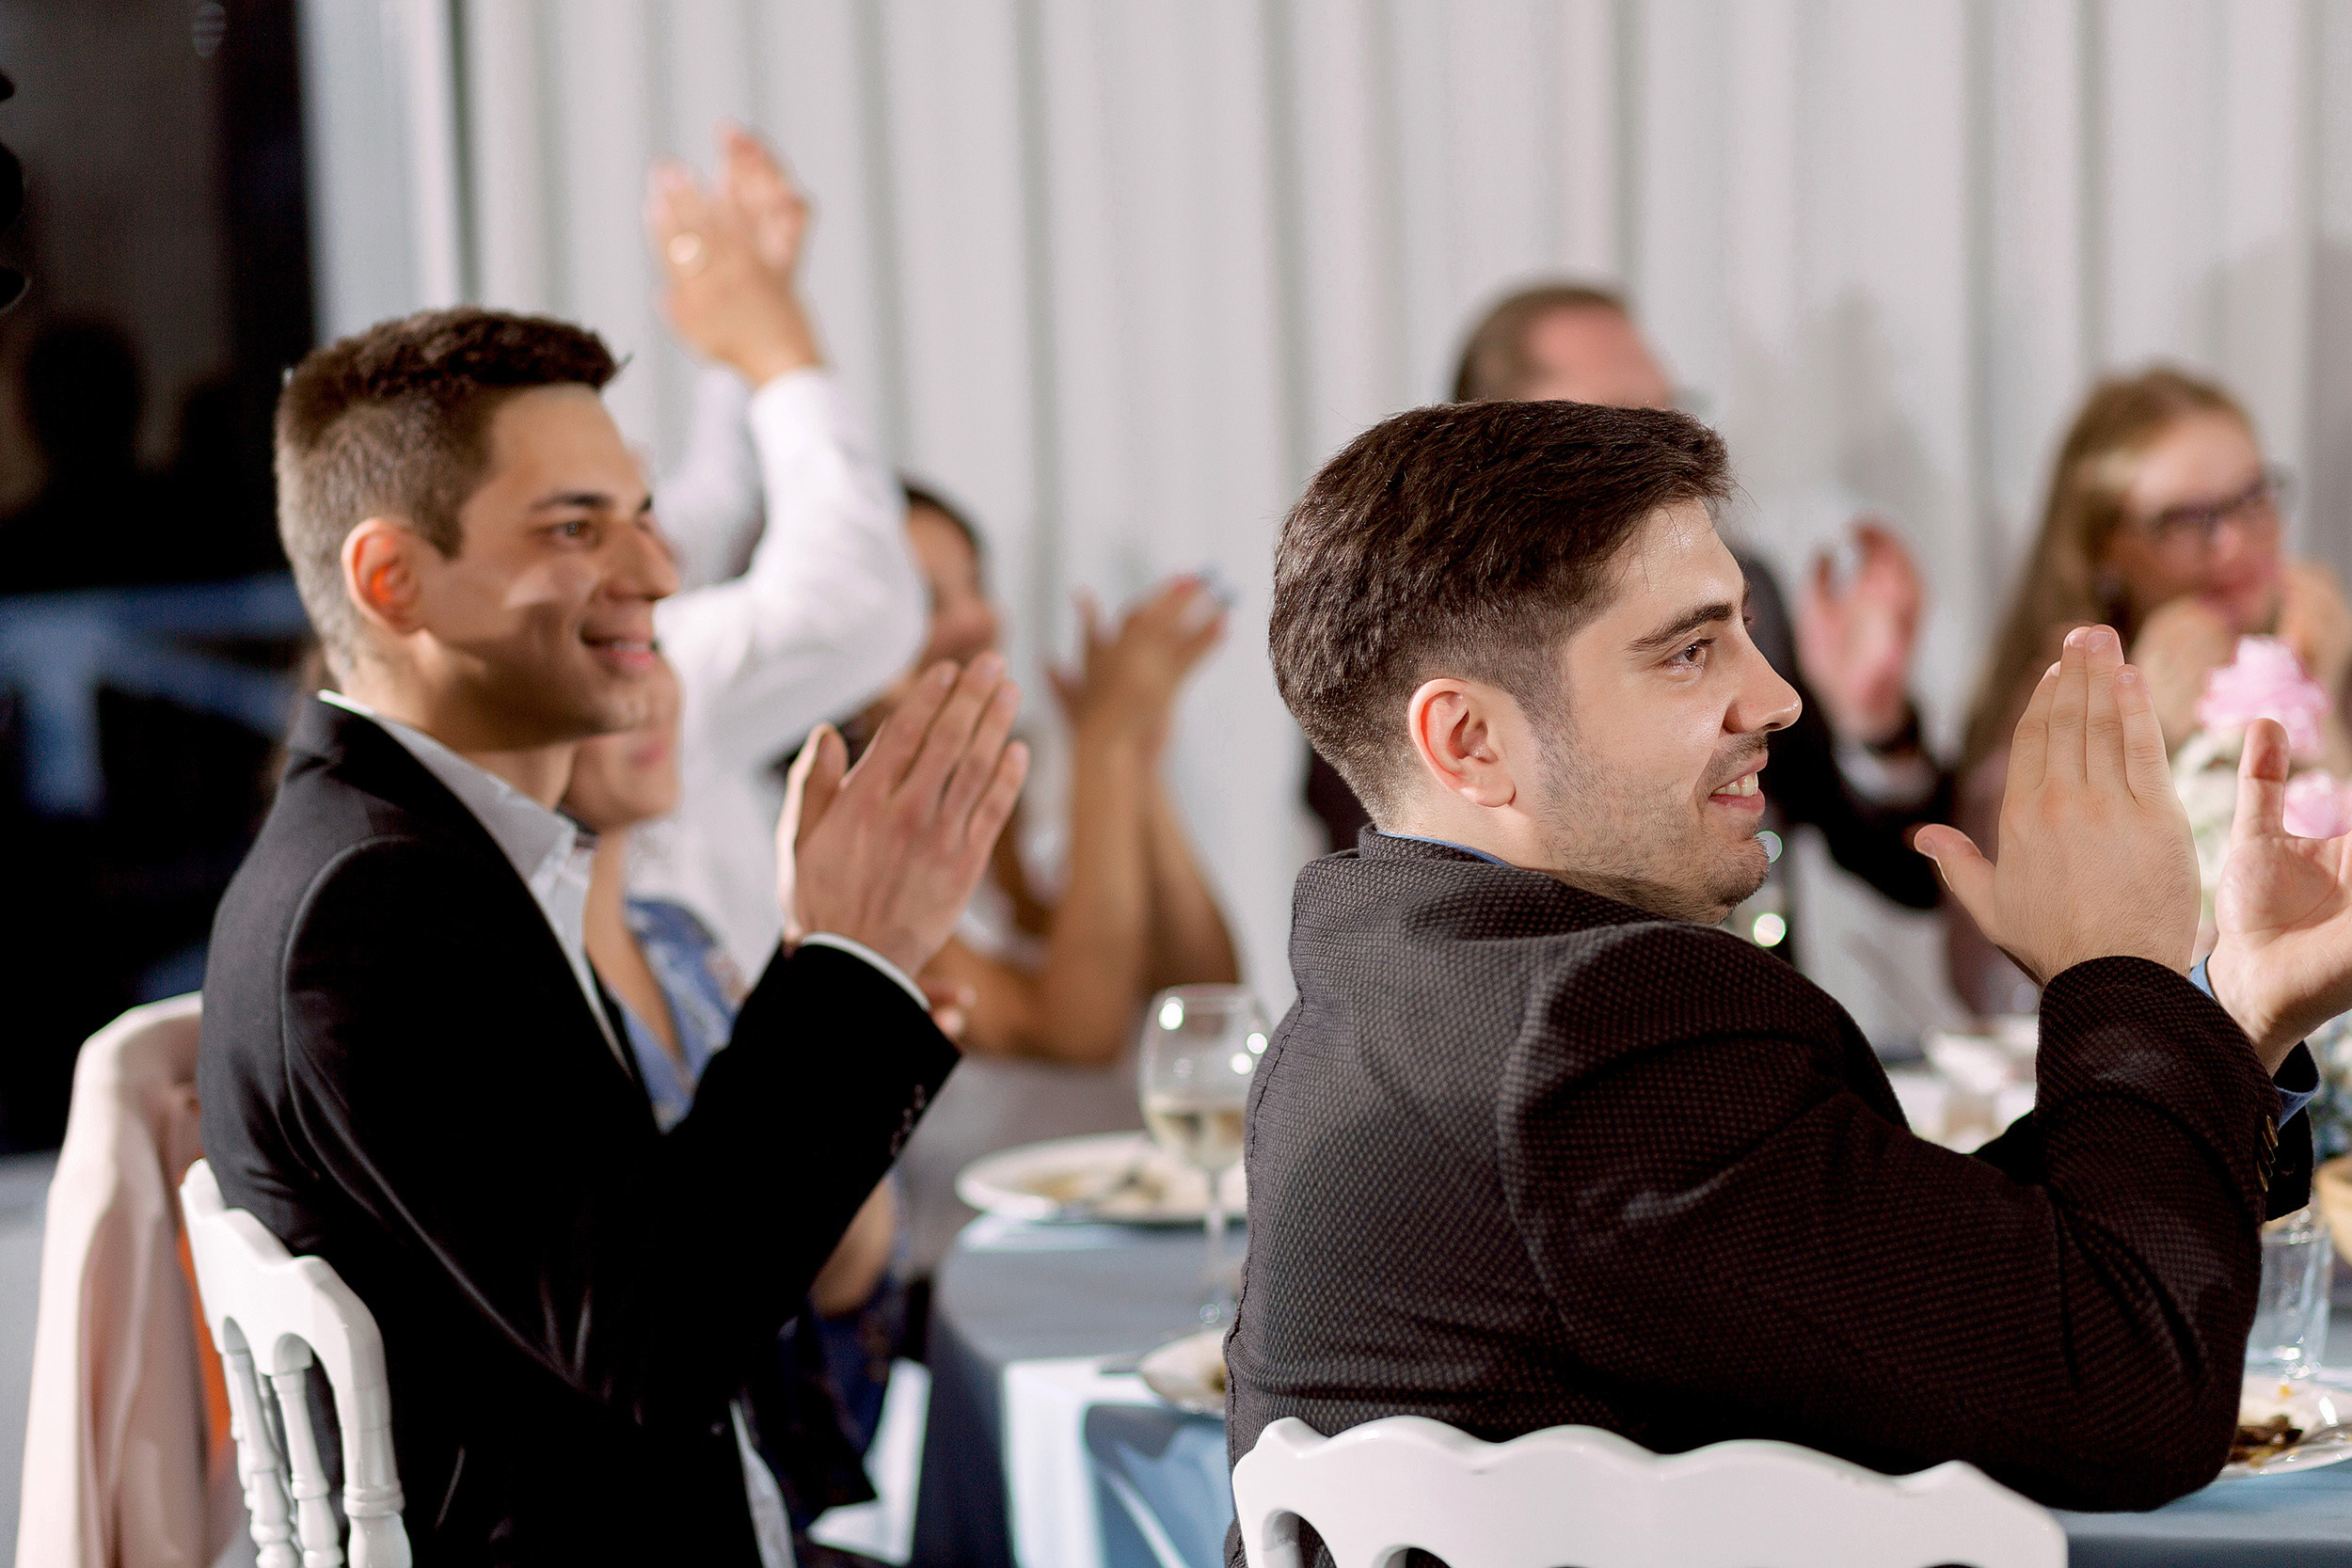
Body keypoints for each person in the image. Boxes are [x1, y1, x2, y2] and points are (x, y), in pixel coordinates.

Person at [1229, 397, 2344, 1561]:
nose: (1776, 697)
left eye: (1746, 632)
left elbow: (1911, 1287)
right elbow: (2127, 1395)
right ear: (1468, 741)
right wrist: (2118, 967)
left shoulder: (1386, 984)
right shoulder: (1596, 1032)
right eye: (1689, 648)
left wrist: (2230, 1016)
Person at [199, 305, 1027, 1565]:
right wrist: (848, 965)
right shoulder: (372, 909)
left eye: (640, 514)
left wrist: (830, 959)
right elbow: (663, 1338)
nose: (657, 568)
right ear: (392, 579)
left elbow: (641, 1253)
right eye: (578, 527)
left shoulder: (433, 854)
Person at [1305, 283, 1950, 968]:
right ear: (1489, 437)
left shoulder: (1738, 585)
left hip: (1759, 1037)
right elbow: (1412, 920)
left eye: (1672, 412)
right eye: (1621, 419)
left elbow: (1909, 875)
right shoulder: (1396, 636)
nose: (1667, 446)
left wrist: (1871, 719)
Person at [852, 483, 1242, 1273]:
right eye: (927, 601)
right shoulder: (838, 831)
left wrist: (1131, 759)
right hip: (973, 1266)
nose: (974, 621)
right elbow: (1075, 1030)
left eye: (974, 584)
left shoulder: (1007, 775)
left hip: (1120, 1227)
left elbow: (1205, 987)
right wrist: (1101, 745)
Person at [627, 123, 930, 979]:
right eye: (584, 521)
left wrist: (748, 322)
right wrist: (777, 351)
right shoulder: (635, 677)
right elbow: (855, 604)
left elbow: (713, 503)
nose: (651, 568)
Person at [1952, 366, 2352, 1013]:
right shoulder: (2055, 699)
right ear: (2103, 549)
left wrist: (2323, 714)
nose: (2235, 545)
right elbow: (1993, 988)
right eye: (2184, 520)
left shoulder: (2329, 656)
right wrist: (2145, 735)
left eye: (2253, 498)